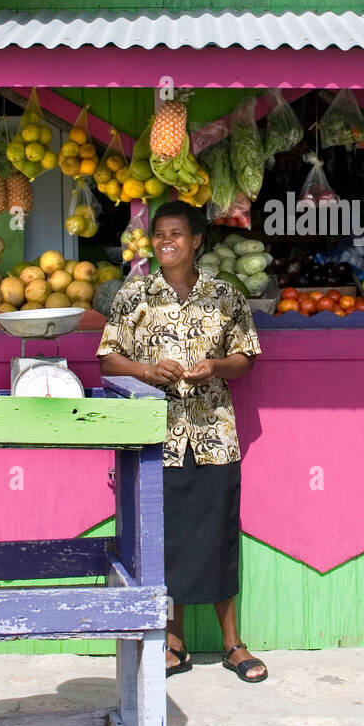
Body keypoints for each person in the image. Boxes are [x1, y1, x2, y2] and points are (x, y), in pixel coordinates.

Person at [96, 201, 267, 681]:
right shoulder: (135, 295)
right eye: (159, 234)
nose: (165, 241)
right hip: (158, 435)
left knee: (217, 538)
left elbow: (246, 357)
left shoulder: (225, 295)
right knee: (165, 541)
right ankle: (174, 642)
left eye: (176, 233)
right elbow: (108, 358)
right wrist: (147, 370)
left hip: (214, 433)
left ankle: (233, 644)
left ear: (196, 241)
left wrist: (215, 366)